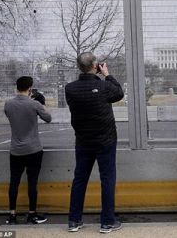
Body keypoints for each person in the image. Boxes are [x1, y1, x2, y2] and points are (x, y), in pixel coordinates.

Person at [65, 52, 124, 233]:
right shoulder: (104, 86)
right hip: (105, 140)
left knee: (80, 179)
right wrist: (106, 74)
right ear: (95, 65)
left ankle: (74, 221)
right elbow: (119, 93)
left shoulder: (70, 89)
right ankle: (107, 222)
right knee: (107, 179)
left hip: (83, 140)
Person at [4, 76, 52, 225]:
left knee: (14, 182)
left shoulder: (8, 104)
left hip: (16, 150)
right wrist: (41, 104)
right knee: (32, 182)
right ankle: (32, 214)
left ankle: (12, 215)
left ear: (17, 87)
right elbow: (48, 118)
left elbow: (12, 115)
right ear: (30, 88)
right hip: (33, 149)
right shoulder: (34, 104)